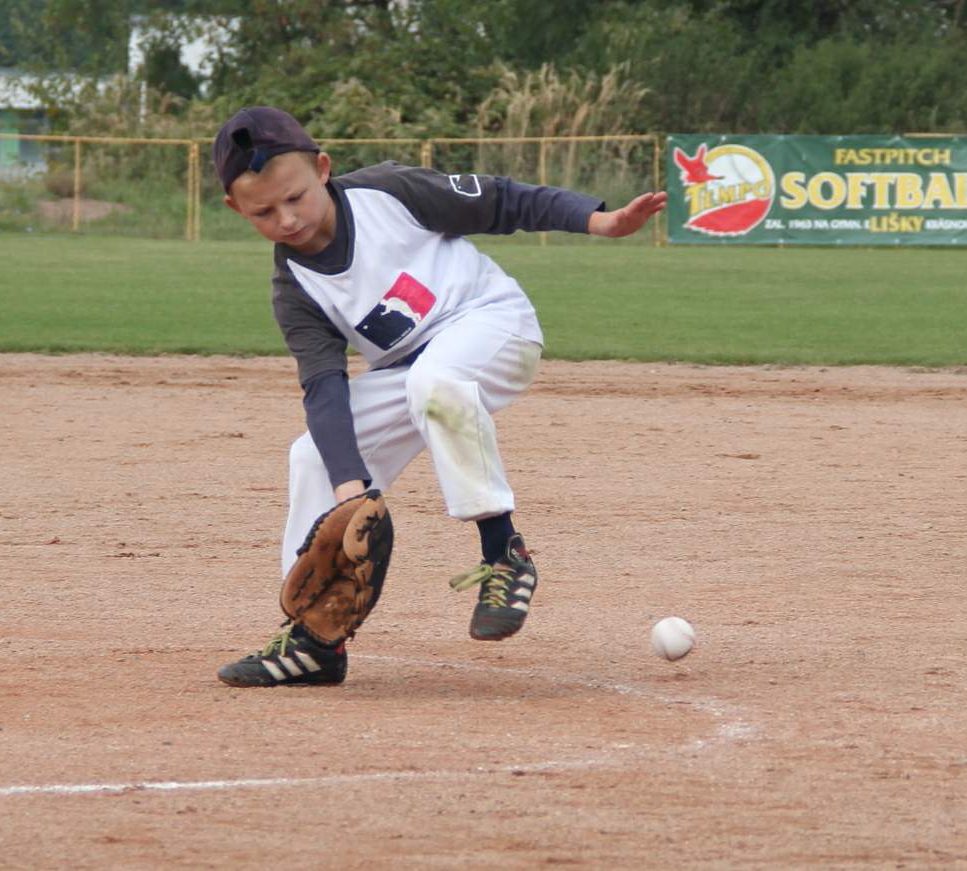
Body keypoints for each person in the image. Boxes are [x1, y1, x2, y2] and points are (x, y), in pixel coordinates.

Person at [213, 106, 665, 688]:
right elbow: (324, 387)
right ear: (235, 210)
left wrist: (599, 221)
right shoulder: (295, 288)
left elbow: (502, 200)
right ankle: (315, 637)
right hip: (409, 370)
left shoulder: (388, 193)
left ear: (323, 169)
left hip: (495, 325)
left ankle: (504, 554)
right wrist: (350, 492)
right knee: (313, 457)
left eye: (295, 197)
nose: (287, 218)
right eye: (264, 212)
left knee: (436, 382)